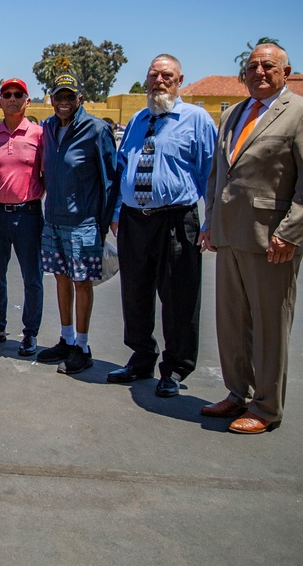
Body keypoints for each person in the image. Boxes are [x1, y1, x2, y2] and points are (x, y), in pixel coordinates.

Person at [198, 44, 303, 434]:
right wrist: (211, 223)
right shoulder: (233, 114)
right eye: (252, 65)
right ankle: (237, 392)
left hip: (271, 240)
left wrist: (290, 232)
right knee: (232, 321)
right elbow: (217, 176)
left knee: (270, 325)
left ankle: (266, 407)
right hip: (229, 235)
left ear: (286, 71)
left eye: (268, 65)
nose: (258, 71)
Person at [107, 55, 217, 397]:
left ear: (180, 80)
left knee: (179, 296)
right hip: (134, 219)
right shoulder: (139, 119)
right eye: (153, 75)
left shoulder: (196, 119)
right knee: (135, 292)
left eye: (166, 75)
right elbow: (123, 167)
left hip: (176, 218)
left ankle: (175, 369)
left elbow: (212, 175)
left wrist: (211, 220)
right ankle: (141, 358)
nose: (159, 81)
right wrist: (115, 212)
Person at [35, 73, 117, 374]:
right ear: (52, 100)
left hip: (84, 222)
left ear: (79, 98)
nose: (65, 102)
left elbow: (111, 179)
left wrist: (107, 220)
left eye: (70, 97)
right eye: (60, 97)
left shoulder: (96, 130)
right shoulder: (49, 128)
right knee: (60, 277)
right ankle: (66, 339)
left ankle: (83, 345)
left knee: (82, 282)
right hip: (53, 218)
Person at [0, 78, 45, 356]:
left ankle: (30, 333)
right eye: (7, 94)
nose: (12, 98)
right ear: (0, 101)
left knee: (32, 277)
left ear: (27, 101)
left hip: (28, 215)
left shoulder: (39, 135)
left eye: (18, 94)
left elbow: (46, 175)